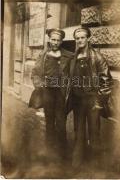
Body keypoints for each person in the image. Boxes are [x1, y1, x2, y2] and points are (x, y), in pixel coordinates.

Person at [66, 27, 112, 168]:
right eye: (77, 38)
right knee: (78, 131)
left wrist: (99, 101)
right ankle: (77, 161)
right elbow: (69, 79)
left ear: (88, 39)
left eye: (82, 37)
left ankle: (95, 164)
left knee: (94, 132)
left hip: (93, 101)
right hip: (78, 101)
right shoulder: (73, 58)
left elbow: (106, 81)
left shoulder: (97, 57)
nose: (80, 40)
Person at [31, 28, 74, 163]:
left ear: (61, 41)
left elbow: (74, 73)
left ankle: (63, 153)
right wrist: (39, 85)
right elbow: (35, 73)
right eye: (53, 39)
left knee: (61, 123)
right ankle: (49, 151)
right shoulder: (43, 56)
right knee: (49, 122)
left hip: (61, 94)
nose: (55, 42)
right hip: (48, 93)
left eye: (58, 40)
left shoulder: (69, 56)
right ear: (49, 40)